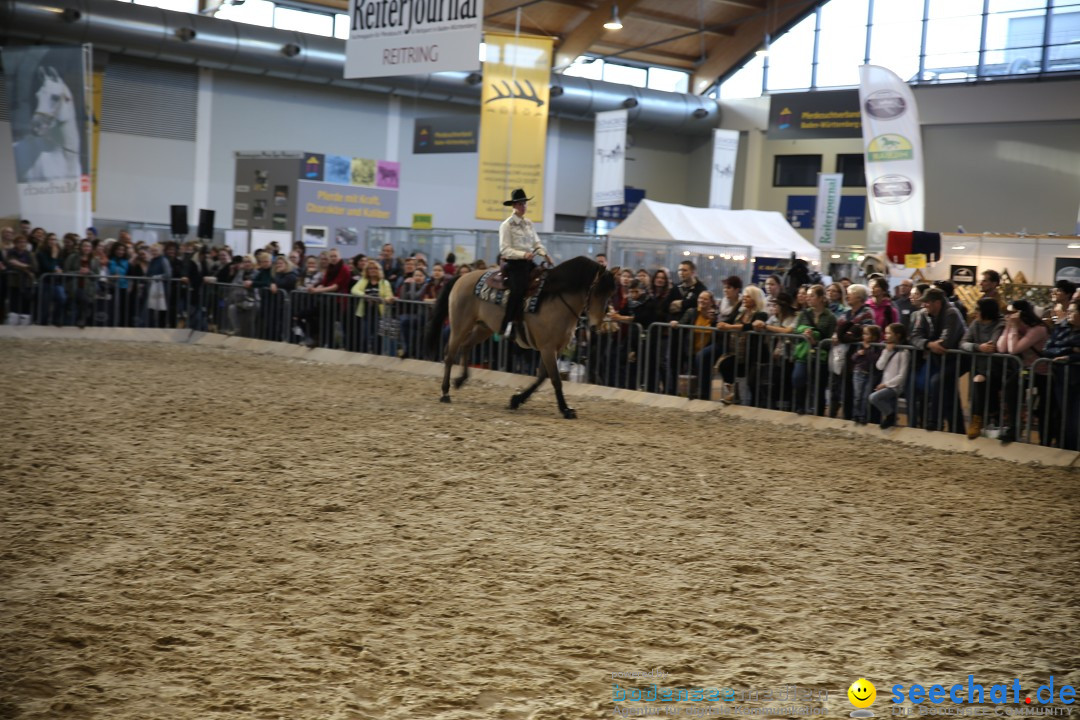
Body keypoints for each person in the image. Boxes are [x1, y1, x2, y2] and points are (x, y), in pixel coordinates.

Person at [910, 287, 968, 433]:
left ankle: (933, 422)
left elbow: (945, 343)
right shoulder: (923, 314)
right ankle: (958, 429)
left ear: (937, 303)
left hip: (958, 359)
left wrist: (927, 344)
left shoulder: (951, 313)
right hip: (941, 359)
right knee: (949, 393)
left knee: (937, 382)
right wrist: (929, 344)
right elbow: (914, 337)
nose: (924, 305)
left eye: (927, 302)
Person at [497, 188, 551, 342]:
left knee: (547, 279)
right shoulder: (506, 225)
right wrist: (523, 254)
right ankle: (507, 324)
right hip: (515, 264)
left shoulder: (528, 223)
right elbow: (505, 249)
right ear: (514, 205)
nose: (523, 206)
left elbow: (536, 242)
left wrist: (545, 254)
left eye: (525, 203)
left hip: (529, 262)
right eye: (520, 204)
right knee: (518, 289)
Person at [996, 300, 1048, 444]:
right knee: (1010, 388)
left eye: (1012, 313)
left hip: (1043, 373)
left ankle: (1046, 440)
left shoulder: (1038, 329)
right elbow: (1001, 348)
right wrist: (1009, 327)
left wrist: (1012, 328)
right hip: (1027, 370)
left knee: (1045, 406)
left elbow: (1014, 349)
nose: (1009, 316)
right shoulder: (1016, 327)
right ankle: (1014, 428)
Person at [960, 298, 1005, 439]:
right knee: (979, 386)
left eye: (978, 309)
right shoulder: (975, 324)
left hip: (998, 368)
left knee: (984, 386)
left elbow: (992, 345)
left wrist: (979, 347)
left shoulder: (1000, 324)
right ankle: (984, 419)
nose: (975, 312)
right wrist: (978, 347)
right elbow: (963, 343)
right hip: (980, 367)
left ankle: (982, 420)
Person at [791, 284, 836, 416]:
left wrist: (816, 341)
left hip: (820, 356)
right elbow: (795, 331)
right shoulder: (804, 314)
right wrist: (803, 333)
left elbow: (830, 339)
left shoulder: (830, 317)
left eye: (812, 296)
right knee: (798, 378)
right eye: (808, 296)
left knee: (819, 386)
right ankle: (800, 407)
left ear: (821, 298)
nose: (808, 298)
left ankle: (819, 412)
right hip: (803, 354)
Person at [1041, 302, 1080, 450]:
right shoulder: (1062, 328)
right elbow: (1047, 349)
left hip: (1076, 379)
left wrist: (1070, 358)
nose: (1068, 314)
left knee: (1075, 420)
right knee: (1064, 417)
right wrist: (1070, 349)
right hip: (1061, 379)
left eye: (1072, 311)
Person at [869, 323, 910, 429]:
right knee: (891, 405)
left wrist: (886, 384)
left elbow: (902, 375)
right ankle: (892, 421)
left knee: (874, 398)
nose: (885, 336)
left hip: (894, 386)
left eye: (888, 333)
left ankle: (891, 416)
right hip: (886, 383)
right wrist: (887, 351)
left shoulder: (904, 352)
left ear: (898, 335)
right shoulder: (886, 349)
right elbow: (879, 366)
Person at [350, 259, 394, 354]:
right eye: (370, 268)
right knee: (365, 337)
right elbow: (354, 290)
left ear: (379, 270)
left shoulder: (384, 283)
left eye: (375, 268)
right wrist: (365, 296)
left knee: (378, 338)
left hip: (379, 314)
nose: (372, 270)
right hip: (365, 314)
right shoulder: (364, 281)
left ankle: (377, 356)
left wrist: (380, 300)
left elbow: (389, 296)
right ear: (367, 270)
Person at [850, 324, 882, 425]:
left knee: (865, 396)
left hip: (870, 374)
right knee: (858, 395)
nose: (864, 336)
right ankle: (856, 415)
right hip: (859, 373)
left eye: (867, 334)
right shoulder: (860, 345)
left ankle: (863, 416)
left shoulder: (877, 347)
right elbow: (853, 359)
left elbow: (875, 359)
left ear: (874, 336)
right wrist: (858, 354)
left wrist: (867, 351)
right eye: (864, 334)